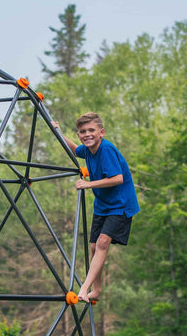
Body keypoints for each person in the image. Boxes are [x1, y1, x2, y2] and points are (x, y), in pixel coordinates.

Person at [53, 112, 139, 302]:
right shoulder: (88, 149)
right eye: (83, 132)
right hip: (103, 205)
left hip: (120, 204)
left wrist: (88, 184)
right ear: (79, 135)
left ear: (102, 132)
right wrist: (58, 132)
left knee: (102, 243)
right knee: (93, 247)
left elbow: (118, 178)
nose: (87, 134)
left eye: (91, 130)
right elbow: (76, 151)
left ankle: (84, 288)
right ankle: (97, 290)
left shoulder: (106, 150)